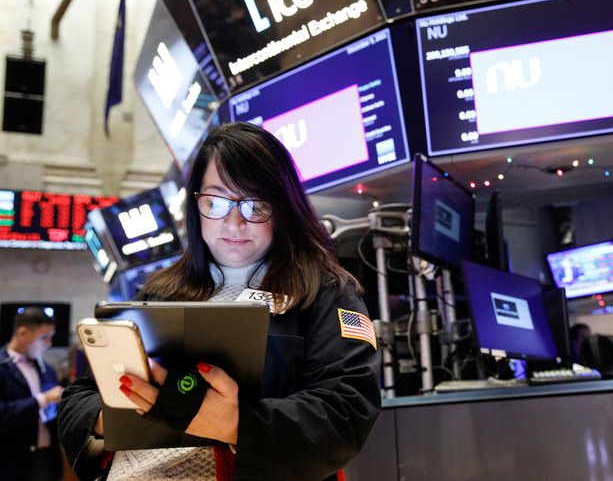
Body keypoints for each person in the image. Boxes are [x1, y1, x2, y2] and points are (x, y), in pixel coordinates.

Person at [58, 123, 382, 480]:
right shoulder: (157, 292)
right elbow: (80, 395)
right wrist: (113, 416)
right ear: (196, 204)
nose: (233, 222)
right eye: (216, 202)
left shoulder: (324, 292)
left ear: (284, 207)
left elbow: (348, 409)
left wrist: (237, 425)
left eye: (255, 205)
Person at [1, 307, 64, 481]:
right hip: (10, 462)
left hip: (47, 457)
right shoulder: (1, 367)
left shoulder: (48, 370)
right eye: (44, 338)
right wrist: (43, 399)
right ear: (23, 333)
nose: (49, 344)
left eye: (51, 338)